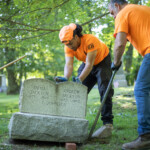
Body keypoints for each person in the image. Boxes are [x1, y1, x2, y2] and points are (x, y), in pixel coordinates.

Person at [55, 23, 114, 138]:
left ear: (76, 37)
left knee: (105, 90)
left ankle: (107, 124)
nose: (70, 47)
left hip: (102, 62)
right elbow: (68, 64)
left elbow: (90, 66)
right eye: (67, 45)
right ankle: (74, 119)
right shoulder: (68, 45)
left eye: (71, 43)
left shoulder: (90, 40)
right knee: (78, 91)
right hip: (87, 63)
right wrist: (66, 78)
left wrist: (79, 79)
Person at [108, 0, 150, 149]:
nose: (113, 17)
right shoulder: (143, 9)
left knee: (141, 90)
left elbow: (120, 44)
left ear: (117, 6)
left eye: (112, 13)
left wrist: (116, 62)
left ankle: (146, 135)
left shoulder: (123, 13)